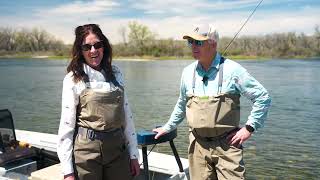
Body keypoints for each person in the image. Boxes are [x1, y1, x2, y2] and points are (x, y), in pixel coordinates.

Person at [153, 24, 271, 180]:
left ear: (213, 44)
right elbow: (182, 103)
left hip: (228, 146)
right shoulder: (187, 72)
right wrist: (168, 127)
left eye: (199, 42)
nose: (193, 46)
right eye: (191, 42)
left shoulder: (233, 70)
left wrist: (249, 128)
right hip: (197, 145)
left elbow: (262, 97)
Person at [57, 24, 140, 180]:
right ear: (80, 51)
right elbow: (66, 127)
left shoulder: (116, 73)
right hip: (86, 153)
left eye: (97, 45)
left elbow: (127, 117)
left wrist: (134, 154)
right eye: (87, 47)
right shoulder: (73, 79)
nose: (93, 50)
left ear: (104, 46)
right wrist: (68, 171)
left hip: (118, 150)